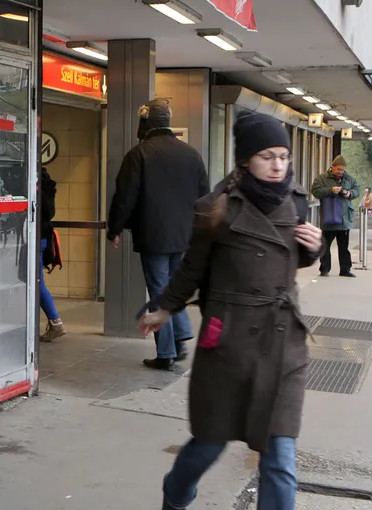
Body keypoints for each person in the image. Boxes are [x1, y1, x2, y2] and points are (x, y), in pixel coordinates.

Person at [139, 111, 324, 510]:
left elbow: (291, 260)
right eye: (267, 157)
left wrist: (314, 248)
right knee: (208, 443)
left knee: (280, 456)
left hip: (282, 345)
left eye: (283, 156)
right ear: (245, 160)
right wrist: (164, 309)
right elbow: (192, 267)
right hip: (229, 344)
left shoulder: (296, 202)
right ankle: (175, 493)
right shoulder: (217, 208)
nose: (278, 166)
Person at [107, 98, 210, 371]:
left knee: (158, 290)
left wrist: (115, 228)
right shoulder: (191, 154)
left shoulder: (139, 154)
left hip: (153, 234)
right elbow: (205, 196)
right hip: (185, 235)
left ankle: (166, 352)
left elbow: (125, 197)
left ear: (145, 123)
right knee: (174, 288)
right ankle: (179, 335)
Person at [311, 155, 359, 277]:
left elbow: (357, 190)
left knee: (344, 247)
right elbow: (315, 191)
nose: (340, 172)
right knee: (325, 246)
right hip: (329, 218)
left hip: (344, 220)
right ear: (332, 167)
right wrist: (330, 190)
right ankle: (324, 268)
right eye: (338, 169)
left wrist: (349, 193)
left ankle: (345, 269)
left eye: (342, 170)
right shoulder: (322, 178)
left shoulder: (349, 179)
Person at [38, 167, 65, 341]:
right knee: (36, 281)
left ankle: (56, 322)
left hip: (34, 238)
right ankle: (55, 322)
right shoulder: (47, 185)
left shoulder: (34, 184)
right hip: (43, 237)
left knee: (36, 282)